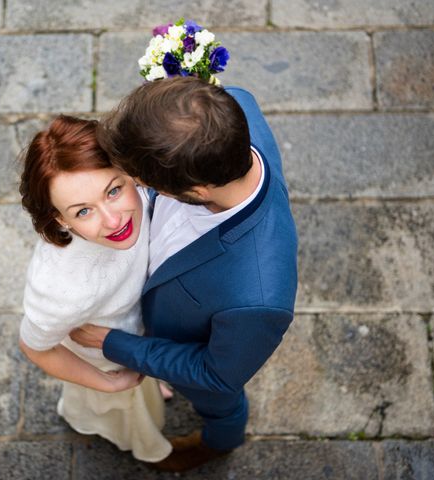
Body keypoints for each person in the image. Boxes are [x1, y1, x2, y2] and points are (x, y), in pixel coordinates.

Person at [70, 77, 298, 472]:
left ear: (197, 190)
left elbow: (214, 374)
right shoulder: (234, 104)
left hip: (194, 366)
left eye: (141, 180)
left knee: (222, 407)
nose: (134, 184)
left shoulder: (258, 298)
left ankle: (218, 445)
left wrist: (115, 344)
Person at [18, 115, 172, 463]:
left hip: (143, 335)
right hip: (107, 363)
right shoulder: (60, 288)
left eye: (113, 190)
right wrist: (110, 383)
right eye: (84, 211)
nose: (114, 220)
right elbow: (35, 347)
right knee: (124, 415)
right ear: (61, 220)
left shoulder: (145, 195)